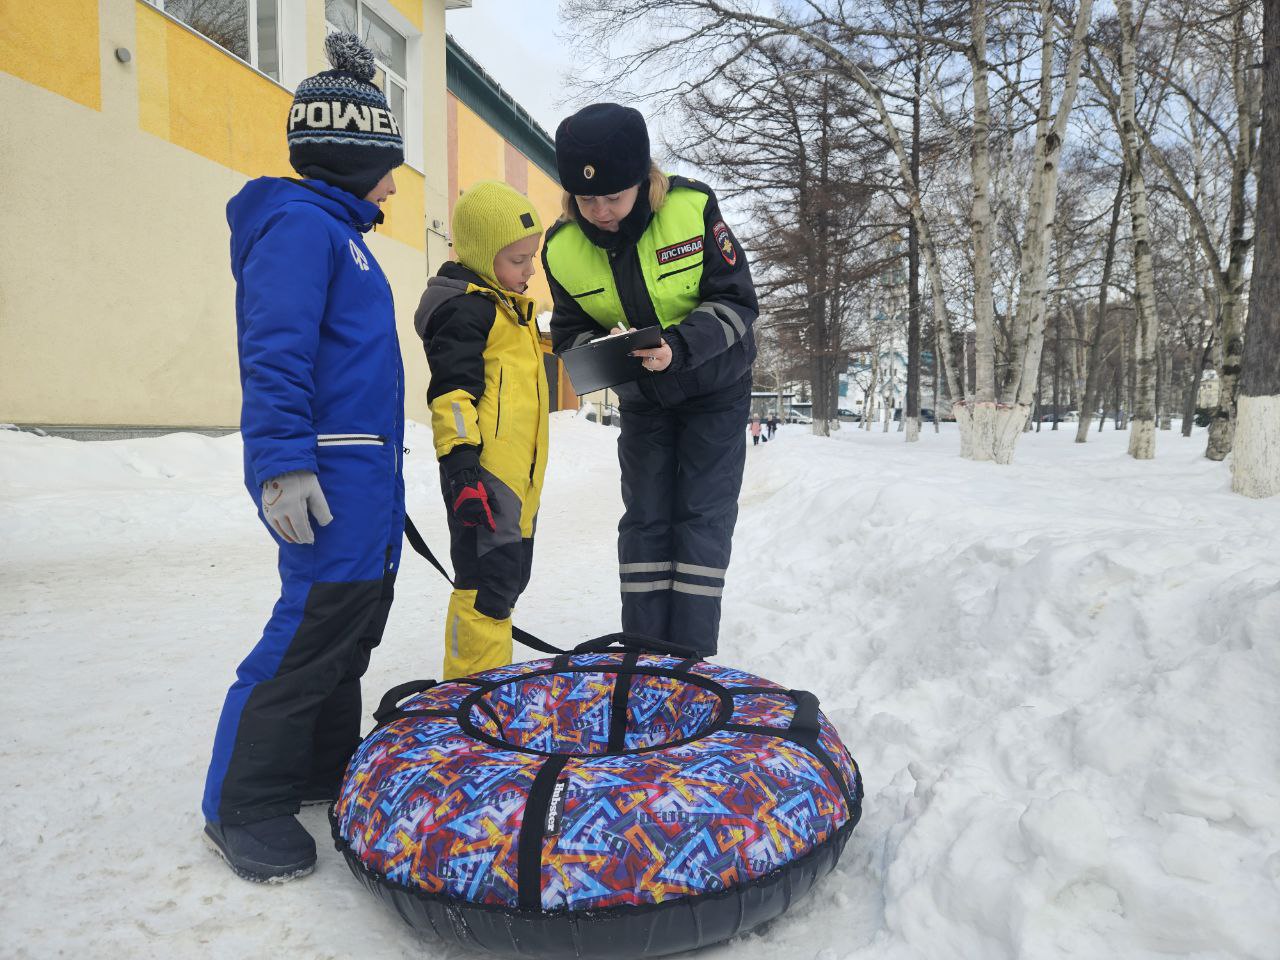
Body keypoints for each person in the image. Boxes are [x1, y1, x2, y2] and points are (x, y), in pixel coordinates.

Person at [202, 33, 405, 883]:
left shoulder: (341, 233)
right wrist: (282, 462)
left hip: (363, 480)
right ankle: (242, 801)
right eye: (390, 161)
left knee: (350, 629)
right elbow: (275, 352)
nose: (397, 180)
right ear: (353, 156)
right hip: (322, 478)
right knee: (309, 629)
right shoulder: (297, 230)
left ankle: (321, 769)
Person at [543, 103, 758, 656]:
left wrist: (680, 347)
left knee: (701, 518)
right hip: (644, 399)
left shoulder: (691, 208)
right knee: (645, 522)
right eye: (586, 199)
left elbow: (737, 303)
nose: (601, 211)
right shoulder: (561, 247)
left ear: (644, 180)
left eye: (613, 195)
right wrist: (597, 352)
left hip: (715, 389)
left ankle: (688, 661)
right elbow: (568, 331)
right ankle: (643, 656)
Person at [414, 182, 548, 680]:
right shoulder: (467, 311)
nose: (529, 270)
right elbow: (452, 394)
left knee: (506, 580)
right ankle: (466, 695)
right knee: (483, 589)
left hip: (518, 480)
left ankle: (489, 687)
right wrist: (462, 469)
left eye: (531, 258)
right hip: (485, 479)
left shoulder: (506, 310)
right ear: (481, 254)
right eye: (517, 260)